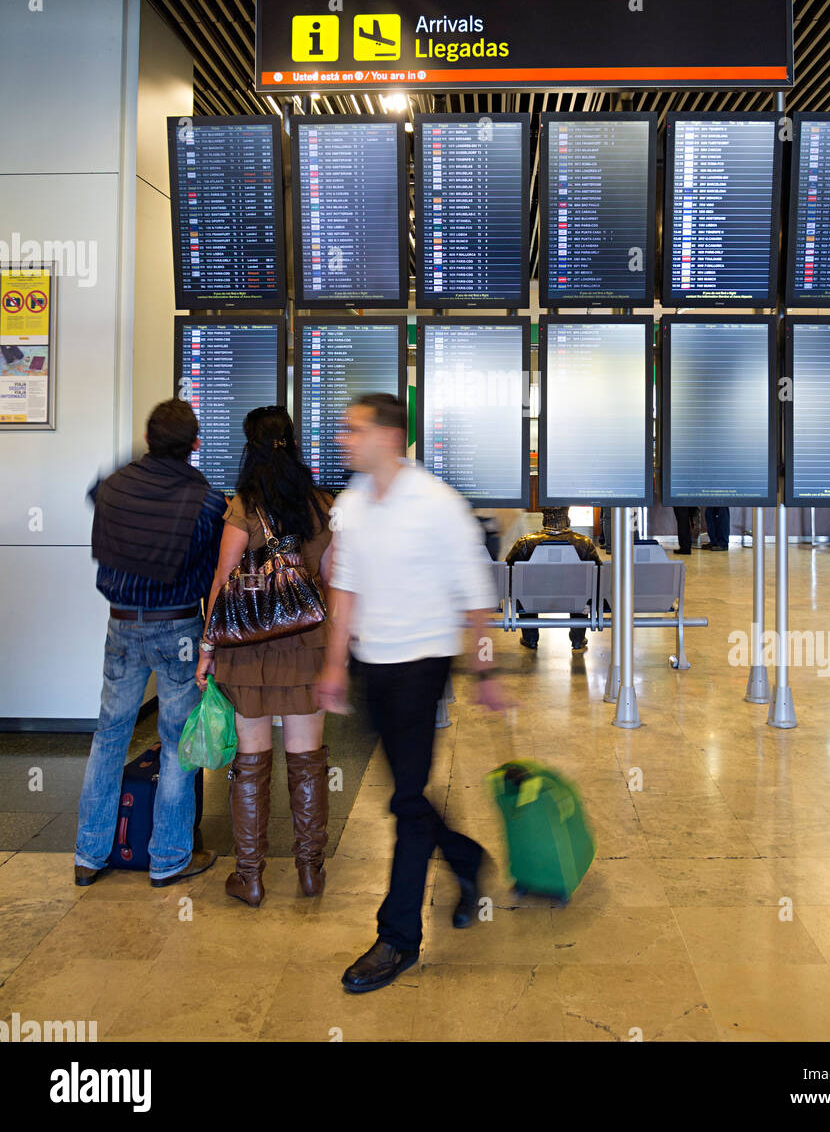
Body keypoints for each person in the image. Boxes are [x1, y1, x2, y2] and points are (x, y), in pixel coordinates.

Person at [318, 393, 507, 994]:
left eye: (354, 430)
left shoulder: (437, 504)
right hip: (373, 666)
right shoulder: (350, 503)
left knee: (404, 802)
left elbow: (479, 594)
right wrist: (332, 667)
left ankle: (398, 937)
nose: (344, 440)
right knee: (409, 796)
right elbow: (344, 591)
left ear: (390, 436)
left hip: (423, 667)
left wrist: (487, 672)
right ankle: (467, 859)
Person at [75, 399, 225, 888]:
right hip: (178, 627)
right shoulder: (205, 501)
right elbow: (210, 571)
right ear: (195, 446)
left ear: (147, 439)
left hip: (121, 625)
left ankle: (89, 855)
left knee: (109, 734)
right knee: (178, 742)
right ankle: (167, 858)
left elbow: (101, 498)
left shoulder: (114, 486)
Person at [196, 406, 333, 908]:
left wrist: (207, 649)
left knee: (251, 762)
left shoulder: (244, 506)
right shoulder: (319, 504)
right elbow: (333, 579)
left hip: (248, 649)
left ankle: (250, 877)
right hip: (306, 646)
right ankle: (310, 870)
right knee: (308, 760)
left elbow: (221, 581)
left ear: (249, 446)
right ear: (292, 443)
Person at [506, 506, 600, 650]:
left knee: (525, 589)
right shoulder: (584, 543)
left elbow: (507, 570)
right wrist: (593, 602)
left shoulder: (525, 542)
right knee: (582, 589)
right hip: (576, 602)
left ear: (545, 520)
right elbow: (599, 574)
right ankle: (577, 639)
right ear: (567, 519)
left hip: (533, 601)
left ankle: (530, 638)